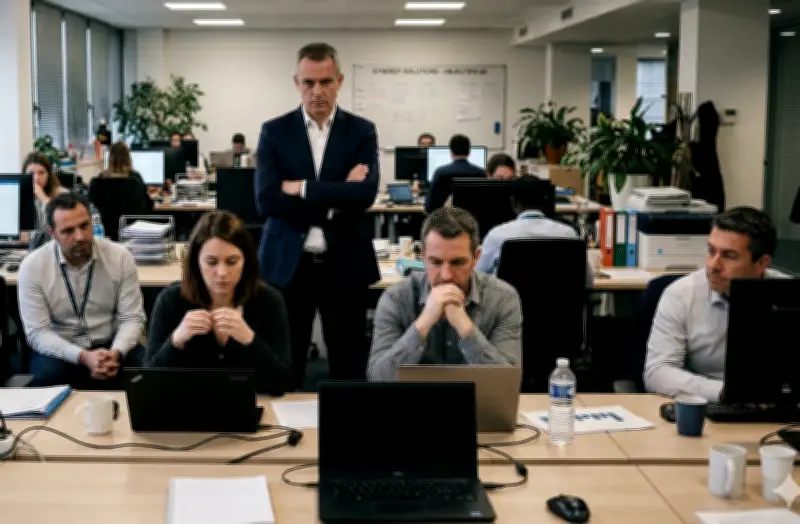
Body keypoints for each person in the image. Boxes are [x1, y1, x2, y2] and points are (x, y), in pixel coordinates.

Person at [255, 42, 380, 390]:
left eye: (325, 82)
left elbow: (365, 194)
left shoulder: (361, 131)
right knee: (285, 365)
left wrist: (304, 189)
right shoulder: (275, 131)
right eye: (309, 83)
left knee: (348, 364)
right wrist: (337, 193)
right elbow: (266, 200)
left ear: (339, 81)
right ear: (296, 82)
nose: (317, 91)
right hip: (287, 265)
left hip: (345, 262)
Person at [644, 207, 783, 401]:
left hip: (779, 409)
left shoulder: (788, 297)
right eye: (711, 251)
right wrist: (726, 392)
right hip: (708, 406)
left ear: (761, 263)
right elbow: (657, 372)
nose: (713, 265)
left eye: (729, 256)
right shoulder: (681, 295)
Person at [368, 207, 522, 381]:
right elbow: (378, 379)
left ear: (476, 257)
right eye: (436, 262)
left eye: (457, 262)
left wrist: (465, 327)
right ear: (423, 256)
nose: (447, 275)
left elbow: (507, 383)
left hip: (478, 407)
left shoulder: (502, 298)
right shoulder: (396, 298)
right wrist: (423, 324)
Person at [146, 211, 291, 395]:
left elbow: (283, 382)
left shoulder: (269, 300)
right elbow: (149, 381)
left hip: (248, 407)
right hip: (185, 408)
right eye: (211, 262)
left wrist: (249, 339)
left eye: (232, 261)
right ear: (196, 262)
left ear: (246, 260)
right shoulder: (171, 300)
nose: (222, 273)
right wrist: (177, 340)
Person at [17, 192, 146, 388]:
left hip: (110, 343)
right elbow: (38, 333)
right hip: (62, 348)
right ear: (52, 233)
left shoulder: (120, 257)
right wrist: (83, 357)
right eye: (68, 231)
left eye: (85, 226)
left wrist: (116, 352)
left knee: (147, 372)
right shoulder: (32, 266)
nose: (80, 236)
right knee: (46, 376)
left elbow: (132, 318)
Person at [476, 175, 591, 283]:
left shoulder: (497, 236)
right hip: (562, 303)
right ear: (544, 201)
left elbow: (477, 279)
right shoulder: (569, 234)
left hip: (511, 304)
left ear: (513, 202)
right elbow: (587, 280)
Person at [424, 134, 486, 213]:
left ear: (451, 152)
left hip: (447, 223)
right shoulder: (481, 173)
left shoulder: (441, 172)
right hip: (474, 222)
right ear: (469, 151)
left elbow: (430, 207)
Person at [90, 141, 154, 212]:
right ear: (128, 158)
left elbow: (93, 204)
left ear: (110, 158)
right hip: (132, 222)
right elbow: (148, 205)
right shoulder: (135, 178)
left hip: (107, 222)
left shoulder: (99, 180)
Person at [24, 152, 68, 231]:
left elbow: (63, 221)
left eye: (41, 173)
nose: (36, 177)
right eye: (31, 173)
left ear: (48, 174)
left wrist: (43, 197)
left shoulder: (61, 193)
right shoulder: (18, 195)